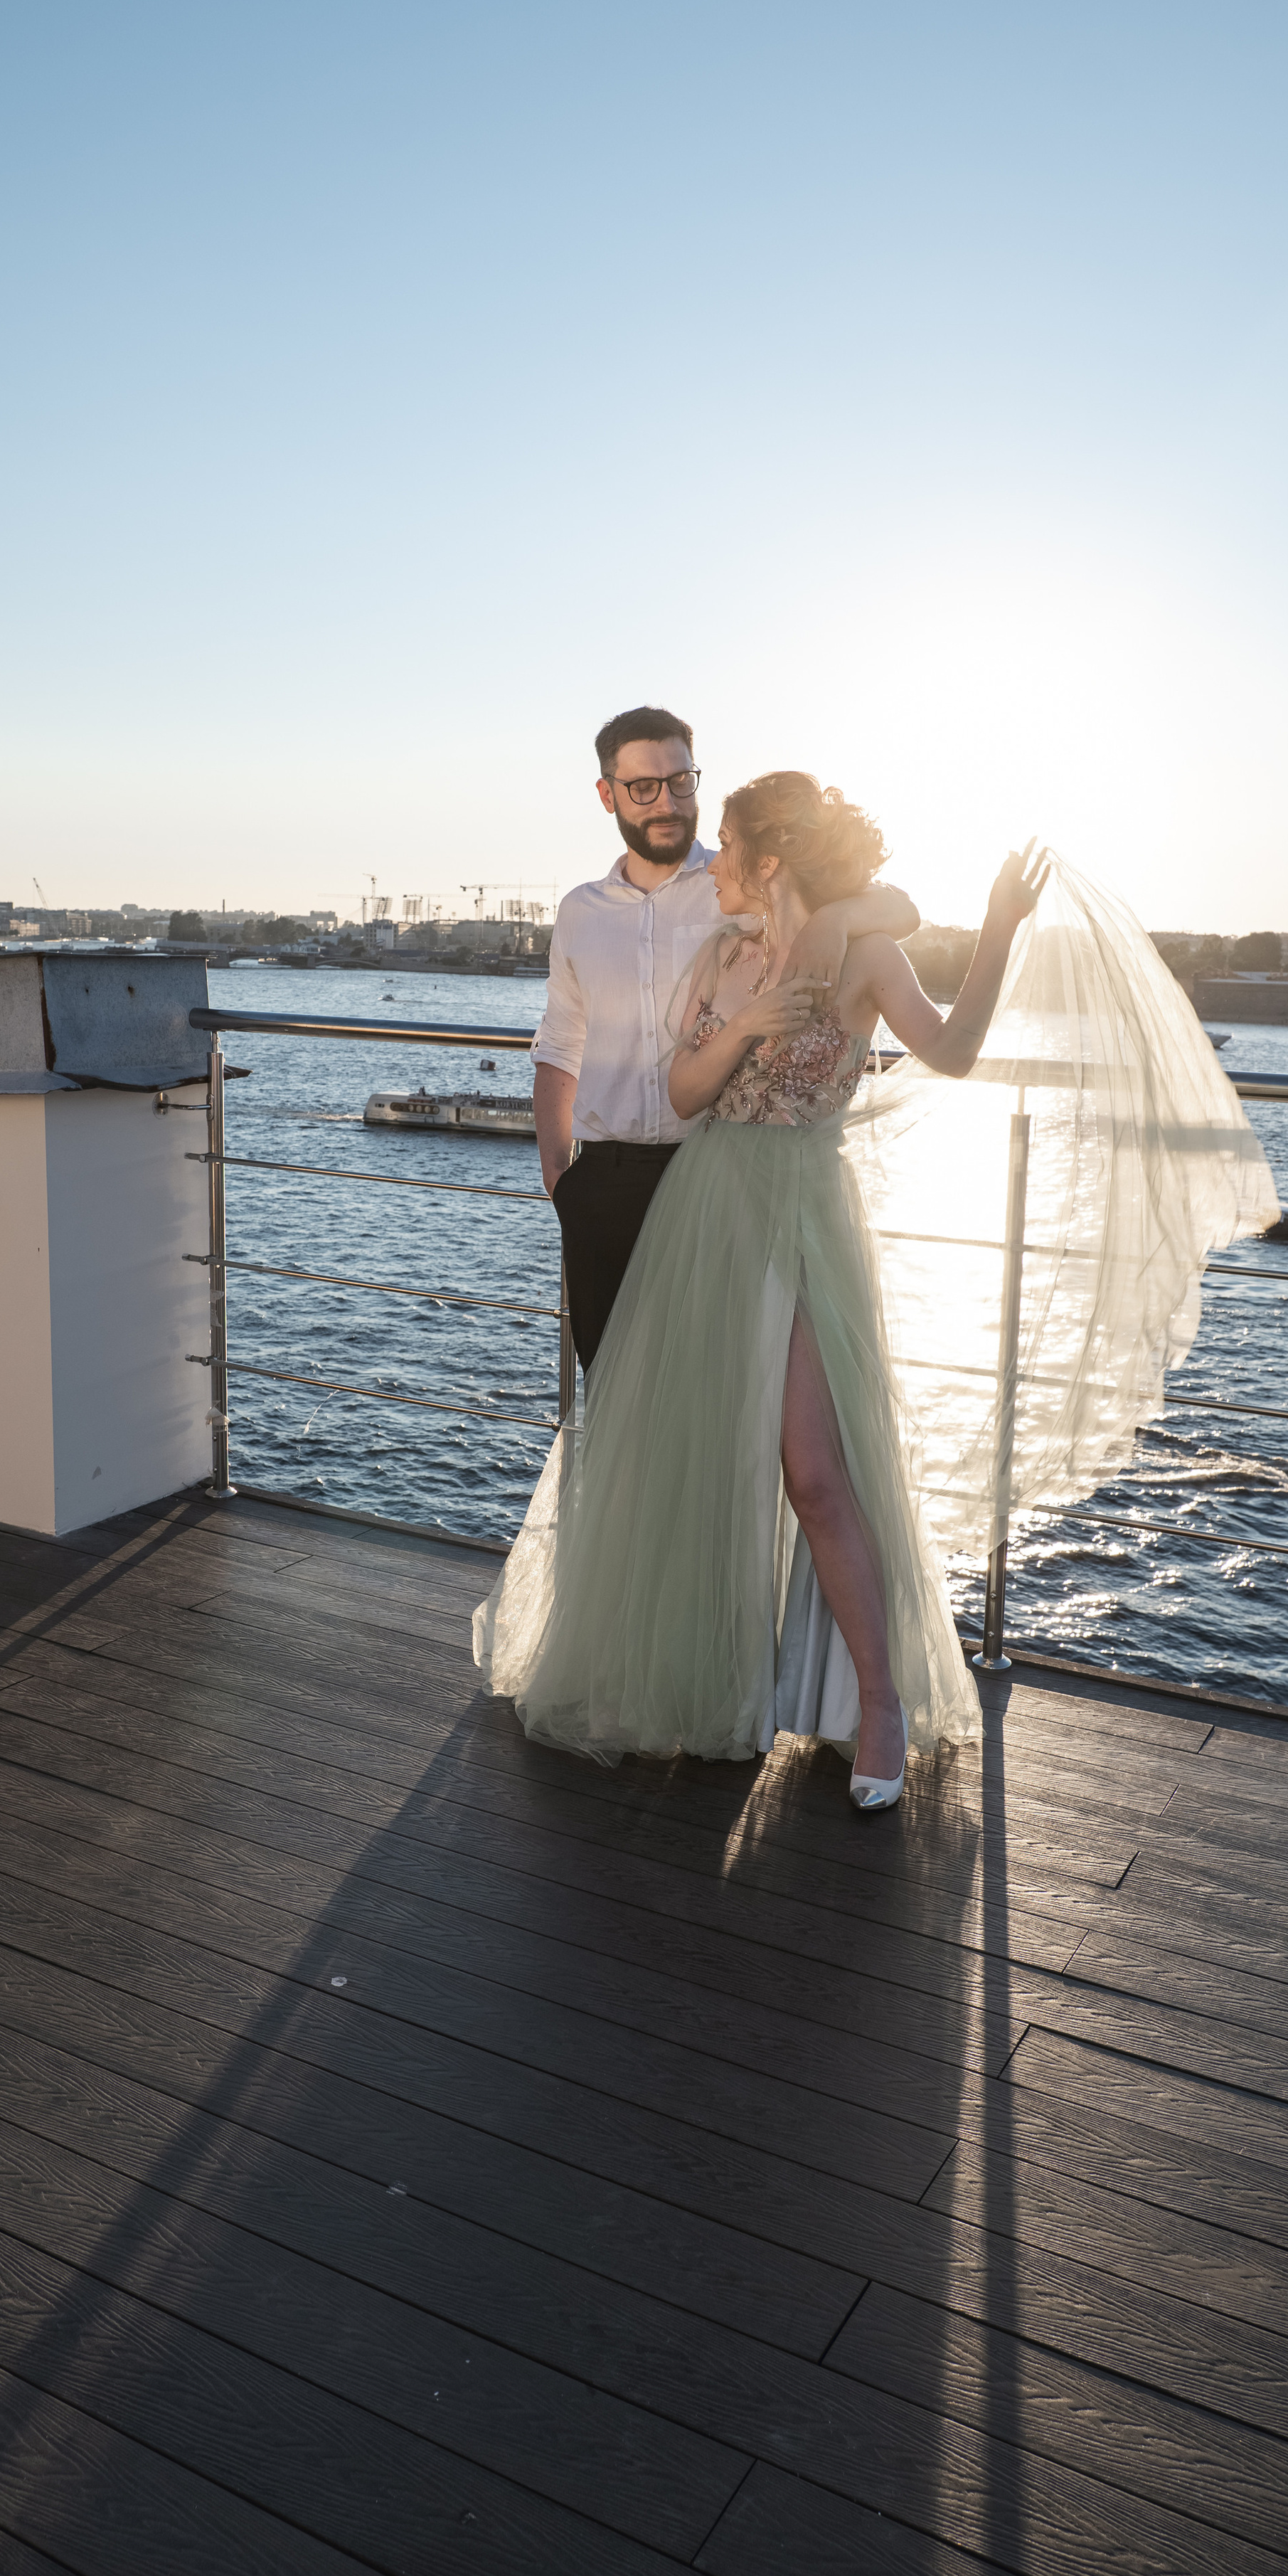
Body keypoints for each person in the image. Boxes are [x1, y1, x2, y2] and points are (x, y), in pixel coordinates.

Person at [479, 768, 1045, 1811]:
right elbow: (685, 1089)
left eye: (731, 847)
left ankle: (878, 1704)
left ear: (768, 857)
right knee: (692, 1462)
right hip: (706, 1217)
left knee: (816, 1474)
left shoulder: (865, 954)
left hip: (803, 1215)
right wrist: (741, 1023)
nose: (716, 865)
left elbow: (957, 1051)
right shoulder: (725, 954)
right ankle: (696, 1691)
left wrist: (1000, 928)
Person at [533, 706, 923, 1371]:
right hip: (602, 1187)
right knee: (614, 1392)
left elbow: (903, 909)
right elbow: (561, 1044)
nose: (667, 802)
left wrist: (836, 918)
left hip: (714, 1180)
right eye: (643, 787)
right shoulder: (579, 911)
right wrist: (559, 1178)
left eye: (680, 781)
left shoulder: (742, 879)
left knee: (714, 1393)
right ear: (608, 795)